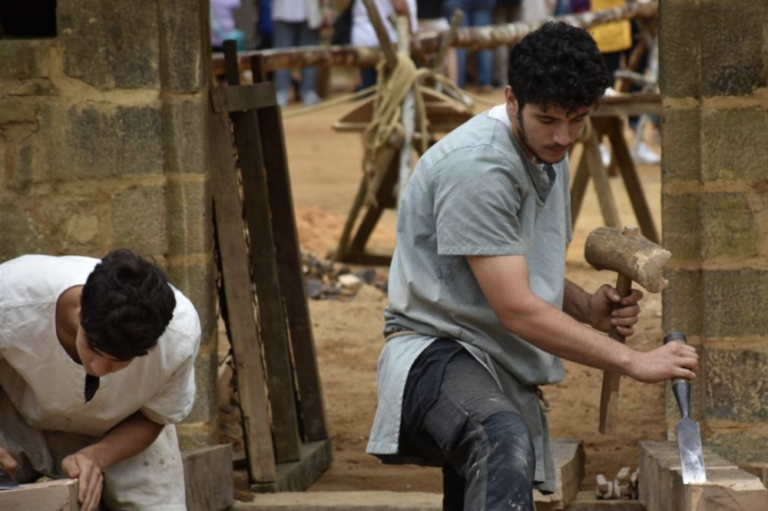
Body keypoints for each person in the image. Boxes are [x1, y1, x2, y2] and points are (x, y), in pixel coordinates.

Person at [366, 22, 698, 510]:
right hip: (434, 355)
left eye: (578, 119)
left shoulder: (549, 152)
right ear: (511, 99)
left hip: (490, 362)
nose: (563, 136)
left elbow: (514, 264)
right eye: (548, 119)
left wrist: (587, 307)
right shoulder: (479, 168)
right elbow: (517, 309)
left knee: (485, 479)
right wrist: (636, 362)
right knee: (499, 438)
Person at [0, 249, 201, 511]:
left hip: (121, 434)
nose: (99, 368)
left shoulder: (178, 337)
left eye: (119, 361)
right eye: (93, 348)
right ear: (82, 307)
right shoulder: (11, 295)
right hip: (17, 418)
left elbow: (156, 416)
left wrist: (97, 456)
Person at [352, 0, 418, 89]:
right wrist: (411, 34)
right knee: (388, 87)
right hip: (384, 41)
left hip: (365, 37)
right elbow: (400, 7)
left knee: (368, 85)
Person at [272, 0, 325, 107]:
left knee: (309, 53)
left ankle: (308, 91)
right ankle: (282, 91)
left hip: (309, 11)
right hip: (282, 10)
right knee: (282, 54)